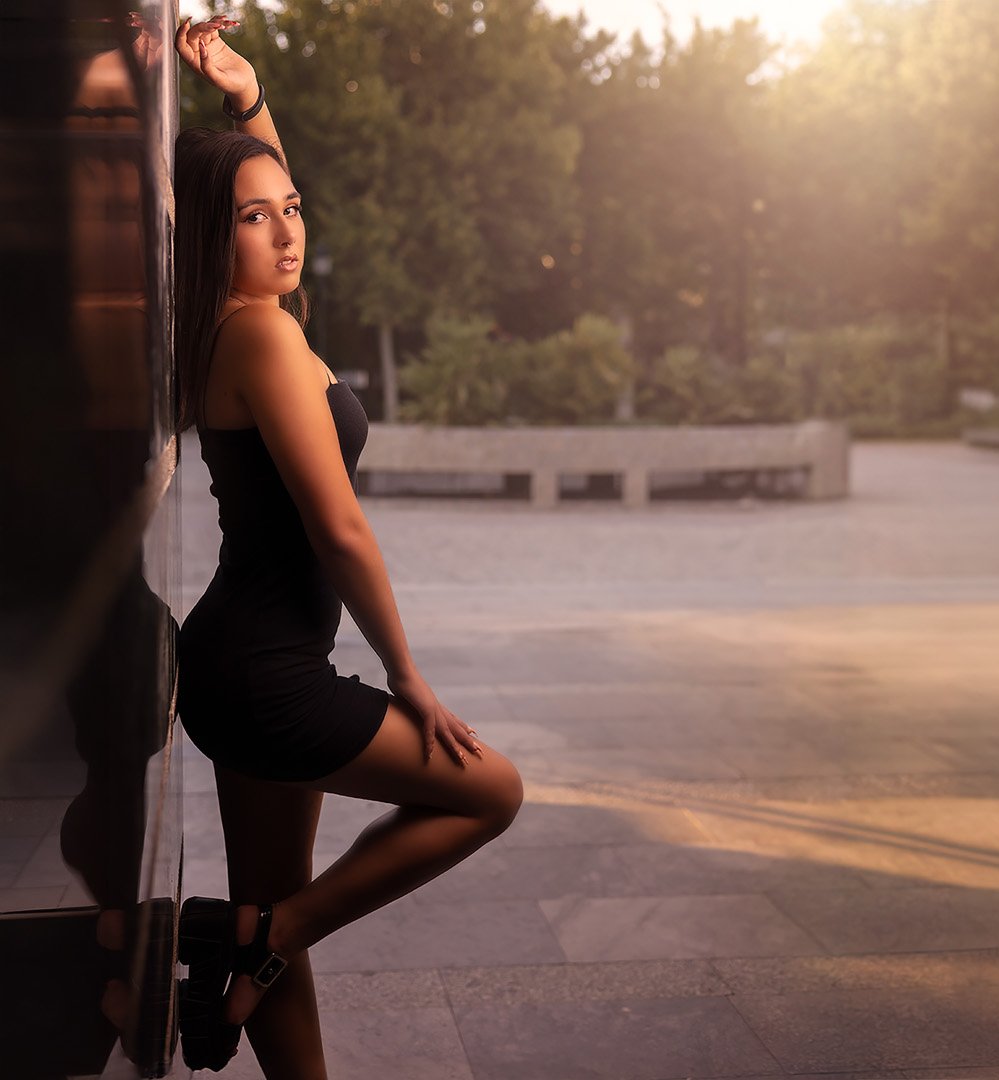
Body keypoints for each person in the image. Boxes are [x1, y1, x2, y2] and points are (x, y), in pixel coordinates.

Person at [169, 17, 523, 1076]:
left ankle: (259, 943)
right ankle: (261, 941)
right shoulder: (262, 334)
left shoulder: (240, 317)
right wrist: (407, 677)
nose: (286, 234)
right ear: (207, 234)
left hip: (248, 663)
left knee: (274, 910)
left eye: (294, 211)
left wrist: (245, 100)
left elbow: (255, 197)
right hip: (267, 673)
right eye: (255, 219)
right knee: (490, 791)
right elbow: (340, 527)